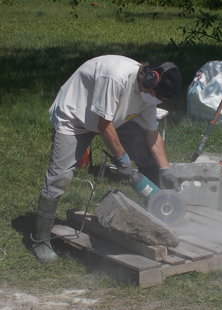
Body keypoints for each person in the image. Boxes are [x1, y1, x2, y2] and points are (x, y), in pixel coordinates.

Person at [32, 55, 182, 262]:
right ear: (149, 80)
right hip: (75, 118)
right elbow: (104, 125)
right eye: (158, 96)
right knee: (60, 177)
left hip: (115, 117)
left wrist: (165, 169)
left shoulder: (148, 94)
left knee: (147, 156)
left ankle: (157, 218)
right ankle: (40, 240)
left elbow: (151, 133)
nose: (157, 101)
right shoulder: (115, 77)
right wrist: (122, 159)